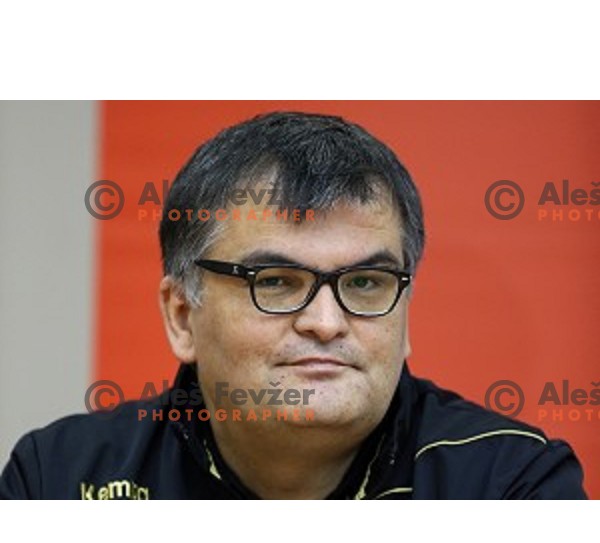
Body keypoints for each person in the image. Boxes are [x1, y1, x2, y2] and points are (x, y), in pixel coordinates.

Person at [0, 111, 587, 499]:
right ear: (182, 315)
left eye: (364, 284)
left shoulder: (509, 483)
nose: (326, 323)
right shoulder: (61, 477)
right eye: (276, 282)